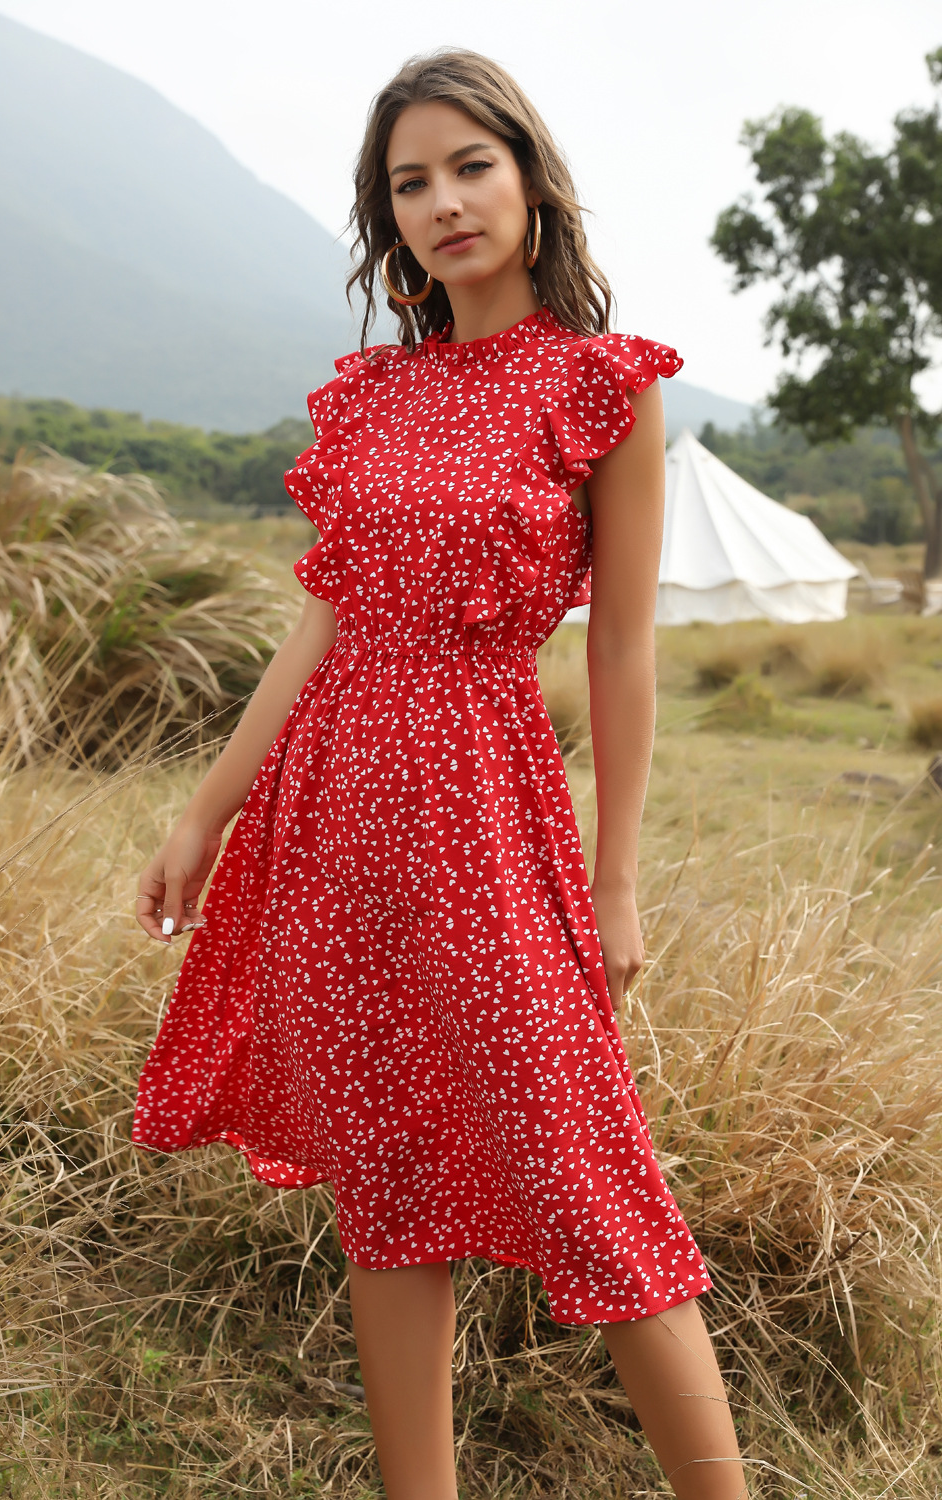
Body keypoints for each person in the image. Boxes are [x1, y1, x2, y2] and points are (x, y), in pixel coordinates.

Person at [132, 48, 748, 1500]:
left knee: (588, 1172)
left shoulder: (604, 389)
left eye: (472, 165)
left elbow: (623, 660)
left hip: (486, 803)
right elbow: (320, 628)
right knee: (387, 1174)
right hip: (334, 811)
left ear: (532, 178)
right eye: (410, 182)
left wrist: (615, 884)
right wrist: (202, 810)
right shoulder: (372, 401)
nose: (445, 201)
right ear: (387, 218)